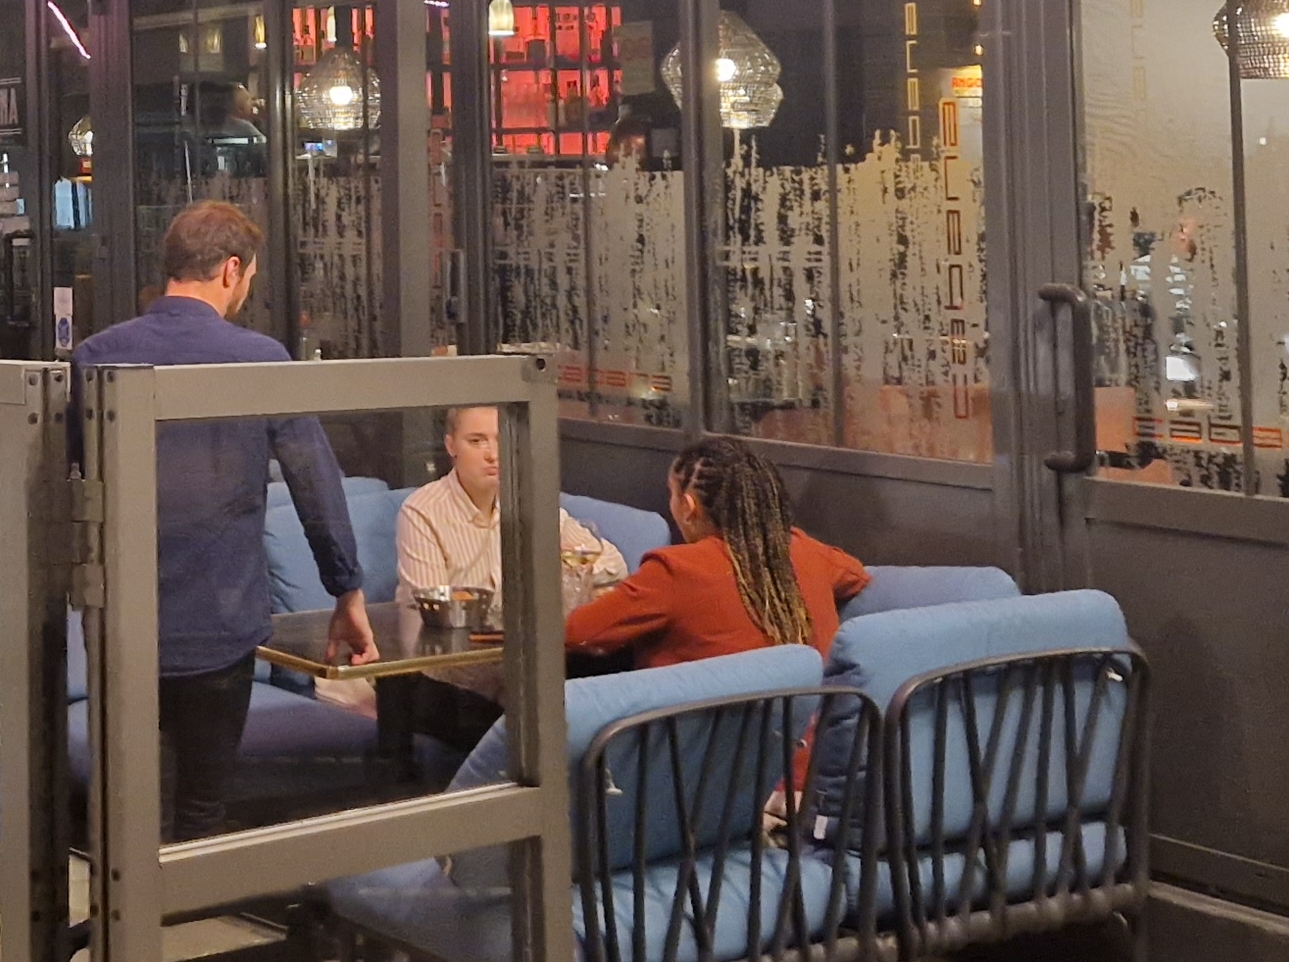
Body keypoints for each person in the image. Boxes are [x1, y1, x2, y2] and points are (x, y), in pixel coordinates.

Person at [72, 200, 378, 840]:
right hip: (219, 621)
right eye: (250, 278)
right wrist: (346, 591)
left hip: (118, 621)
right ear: (231, 270)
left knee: (124, 806)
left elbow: (63, 485)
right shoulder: (260, 358)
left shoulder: (97, 354)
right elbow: (315, 485)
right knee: (201, 809)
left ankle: (124, 903)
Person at [564, 436, 867, 670]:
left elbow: (576, 633)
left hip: (697, 732)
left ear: (689, 506)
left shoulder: (675, 570)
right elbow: (856, 575)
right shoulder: (807, 551)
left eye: (672, 494)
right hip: (800, 729)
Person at [397, 404, 629, 601]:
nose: (493, 454)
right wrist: (553, 581)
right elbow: (434, 604)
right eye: (477, 441)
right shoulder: (422, 512)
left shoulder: (529, 499)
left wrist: (558, 575)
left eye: (502, 440)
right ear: (451, 446)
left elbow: (614, 565)